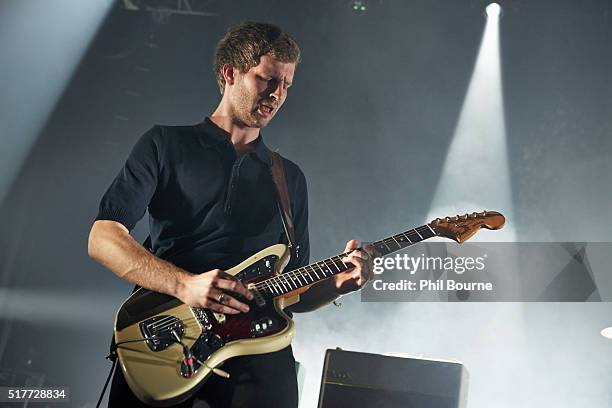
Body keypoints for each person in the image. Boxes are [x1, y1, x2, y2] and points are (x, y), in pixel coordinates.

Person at [88, 21, 374, 407]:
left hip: (256, 350)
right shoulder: (165, 144)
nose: (277, 94)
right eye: (267, 79)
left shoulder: (288, 177)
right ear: (230, 73)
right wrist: (184, 285)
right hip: (169, 336)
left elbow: (292, 292)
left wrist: (337, 285)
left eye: (287, 85)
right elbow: (103, 239)